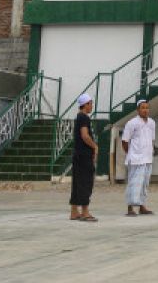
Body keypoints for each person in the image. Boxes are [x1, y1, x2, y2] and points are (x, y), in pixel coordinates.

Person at [120, 100, 156, 216]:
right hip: (135, 159)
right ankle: (130, 208)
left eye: (147, 108)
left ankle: (142, 206)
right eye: (143, 108)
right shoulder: (132, 123)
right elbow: (125, 141)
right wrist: (130, 153)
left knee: (144, 184)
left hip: (147, 158)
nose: (145, 110)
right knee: (133, 183)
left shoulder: (151, 123)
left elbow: (152, 139)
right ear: (138, 110)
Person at [70, 93, 99, 222]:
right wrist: (95, 146)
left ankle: (74, 212)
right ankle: (85, 212)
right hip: (84, 156)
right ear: (85, 104)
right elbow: (85, 136)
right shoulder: (84, 117)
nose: (91, 106)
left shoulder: (78, 117)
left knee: (77, 183)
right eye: (90, 103)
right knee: (86, 182)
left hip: (77, 155)